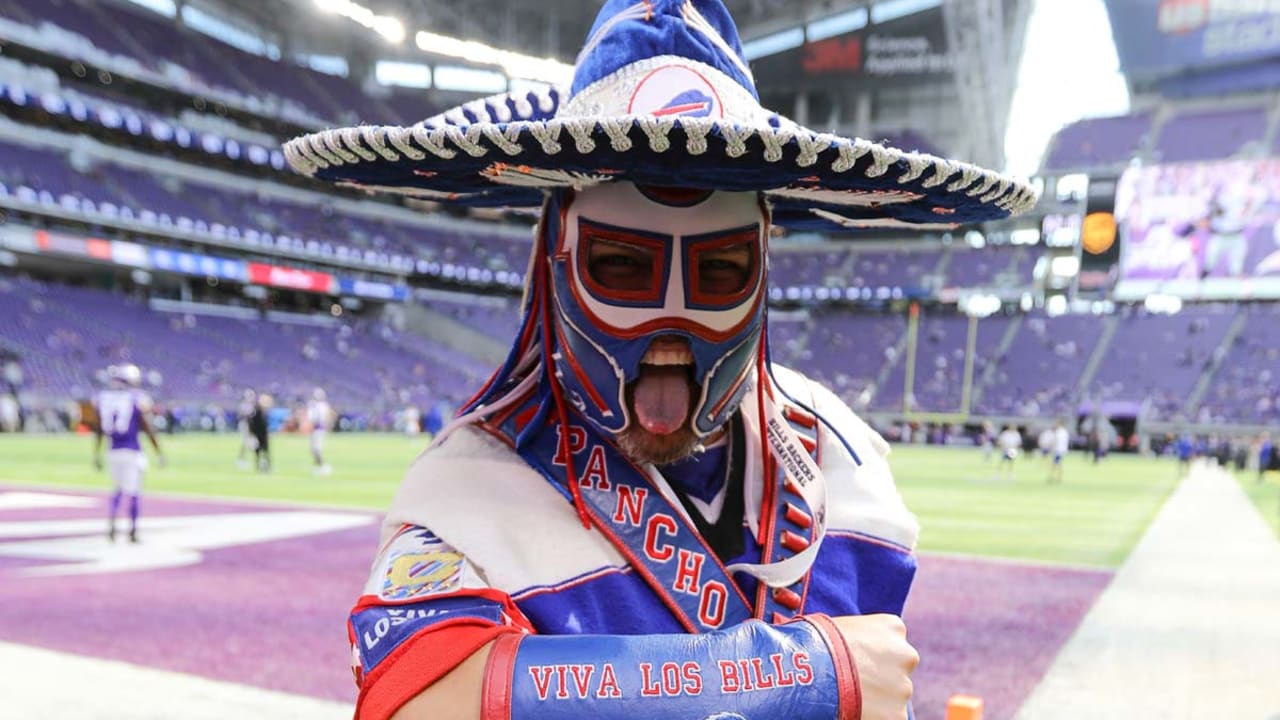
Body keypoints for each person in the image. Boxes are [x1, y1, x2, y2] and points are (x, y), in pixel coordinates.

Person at [282, 2, 1034, 718]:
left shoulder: (840, 459)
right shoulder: (472, 489)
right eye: (621, 266)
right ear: (556, 257)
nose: (670, 324)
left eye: (718, 272)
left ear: (764, 268)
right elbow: (415, 701)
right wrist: (803, 677)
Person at [93, 364, 164, 543]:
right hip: (132, 450)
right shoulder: (137, 398)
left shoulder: (104, 398)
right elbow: (147, 427)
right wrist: (159, 451)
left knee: (117, 489)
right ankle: (132, 530)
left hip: (113, 450)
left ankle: (112, 525)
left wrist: (96, 453)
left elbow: (99, 429)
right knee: (133, 491)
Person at [308, 387, 334, 475]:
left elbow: (322, 418)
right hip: (316, 429)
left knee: (317, 449)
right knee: (313, 449)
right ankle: (317, 466)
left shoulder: (322, 406)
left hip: (319, 429)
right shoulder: (315, 405)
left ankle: (323, 466)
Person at [249, 393, 272, 473]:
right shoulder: (256, 411)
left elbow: (265, 424)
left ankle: (267, 466)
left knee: (266, 451)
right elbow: (252, 423)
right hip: (258, 434)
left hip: (264, 434)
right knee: (258, 451)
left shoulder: (264, 411)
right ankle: (259, 466)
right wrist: (252, 433)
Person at [236, 388, 257, 469]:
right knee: (246, 442)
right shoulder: (244, 405)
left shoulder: (251, 405)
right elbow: (244, 416)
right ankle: (241, 459)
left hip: (249, 425)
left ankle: (243, 459)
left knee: (250, 442)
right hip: (245, 425)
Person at [1048, 420, 1070, 484]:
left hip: (1058, 450)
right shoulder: (1065, 432)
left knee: (1056, 463)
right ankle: (1056, 476)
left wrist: (1052, 448)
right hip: (1062, 450)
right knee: (1057, 463)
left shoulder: (1058, 432)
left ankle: (1055, 476)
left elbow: (1055, 441)